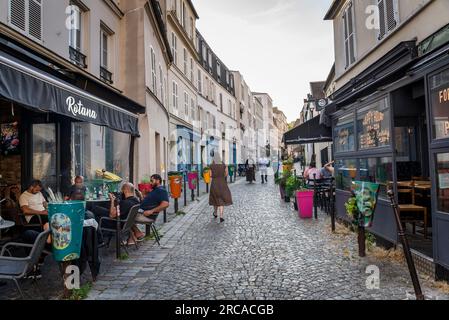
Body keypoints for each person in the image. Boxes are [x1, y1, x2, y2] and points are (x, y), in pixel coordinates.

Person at [209, 154, 233, 223]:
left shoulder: (211, 165)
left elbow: (210, 175)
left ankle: (215, 213)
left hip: (214, 183)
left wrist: (214, 175)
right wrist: (222, 175)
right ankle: (221, 216)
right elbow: (226, 173)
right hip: (222, 183)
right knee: (221, 199)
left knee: (215, 198)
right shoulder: (223, 165)